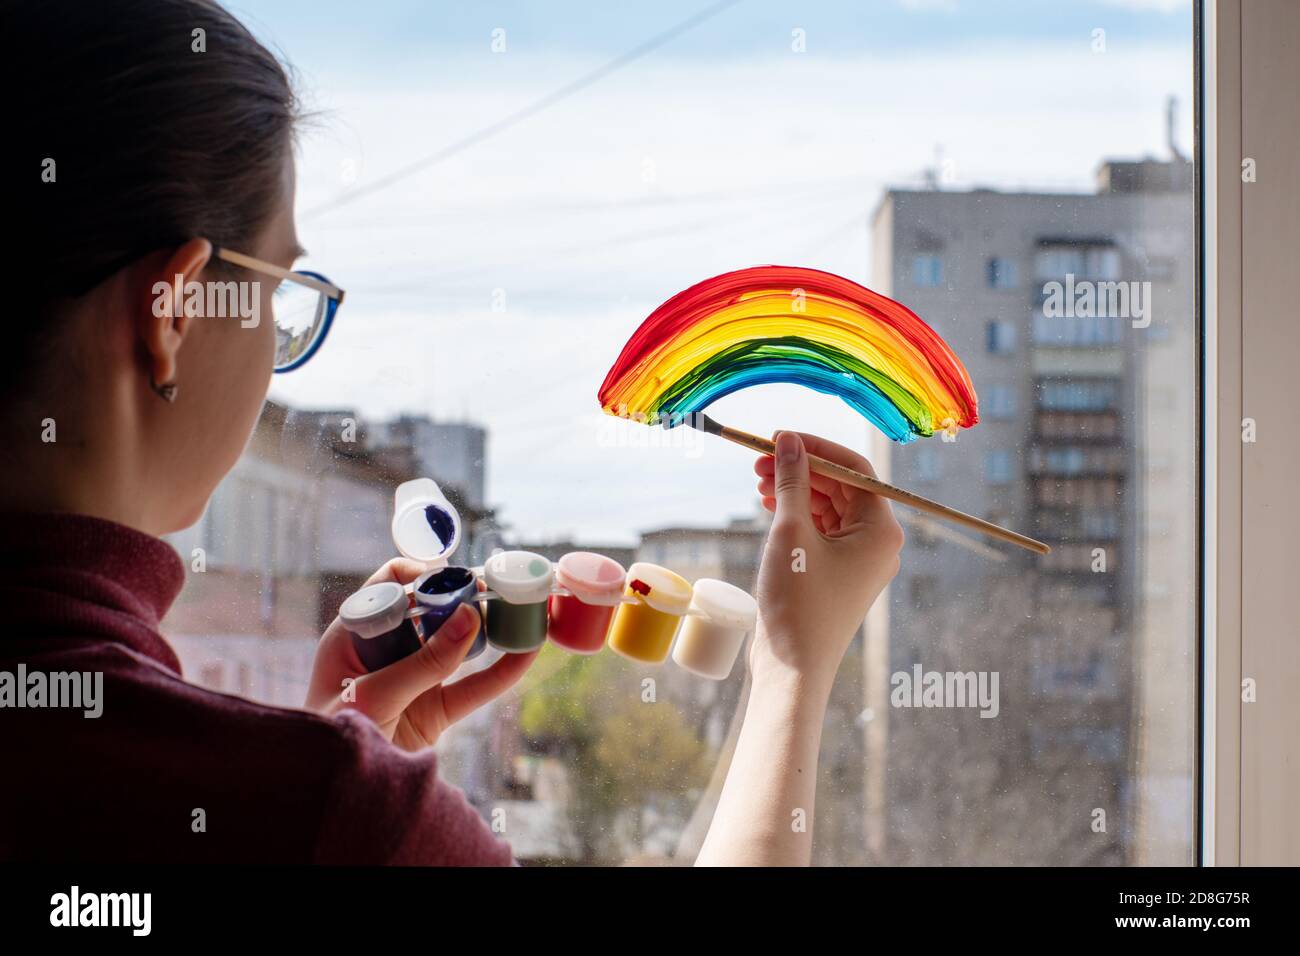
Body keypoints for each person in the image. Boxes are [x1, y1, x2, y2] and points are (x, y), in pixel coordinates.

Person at [2, 0, 902, 865]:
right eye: (279, 296)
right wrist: (794, 663)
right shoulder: (329, 808)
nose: (277, 348)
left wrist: (308, 770)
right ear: (175, 311)